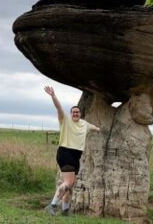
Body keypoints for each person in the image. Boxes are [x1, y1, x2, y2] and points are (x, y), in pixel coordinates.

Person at [44, 86, 100, 216]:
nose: (75, 114)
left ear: (80, 114)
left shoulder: (84, 124)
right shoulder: (65, 120)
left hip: (76, 156)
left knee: (71, 185)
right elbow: (58, 108)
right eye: (73, 112)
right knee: (68, 182)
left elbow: (95, 128)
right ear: (70, 114)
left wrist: (99, 129)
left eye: (77, 112)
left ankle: (65, 210)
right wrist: (53, 95)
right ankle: (52, 205)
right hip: (65, 153)